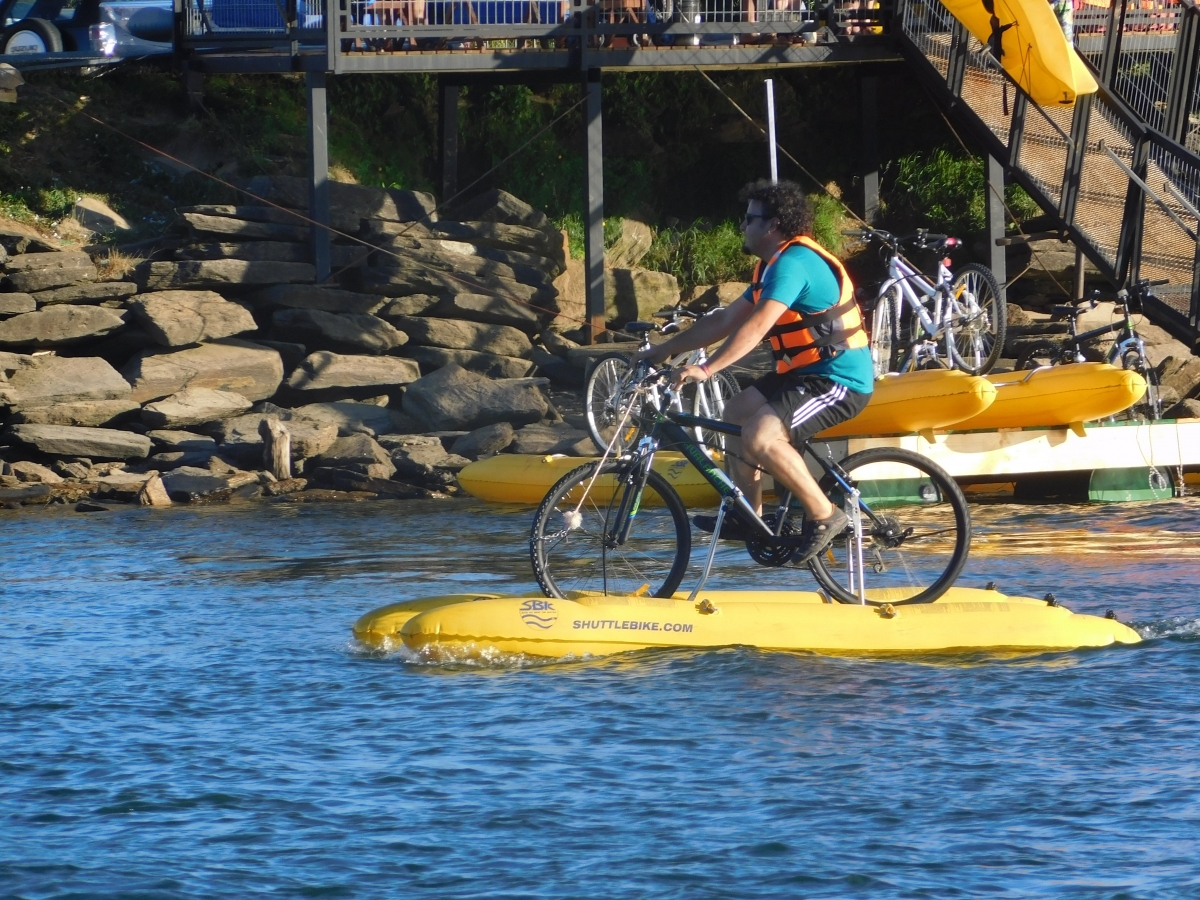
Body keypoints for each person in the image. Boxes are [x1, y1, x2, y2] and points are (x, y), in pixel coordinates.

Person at [632, 179, 874, 564]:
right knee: (736, 412)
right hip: (802, 372)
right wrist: (664, 350)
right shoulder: (769, 267)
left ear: (773, 224)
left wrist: (707, 368)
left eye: (749, 219)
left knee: (759, 436)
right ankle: (749, 514)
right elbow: (726, 319)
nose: (742, 226)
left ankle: (827, 514)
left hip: (839, 379)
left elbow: (758, 326)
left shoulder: (796, 265)